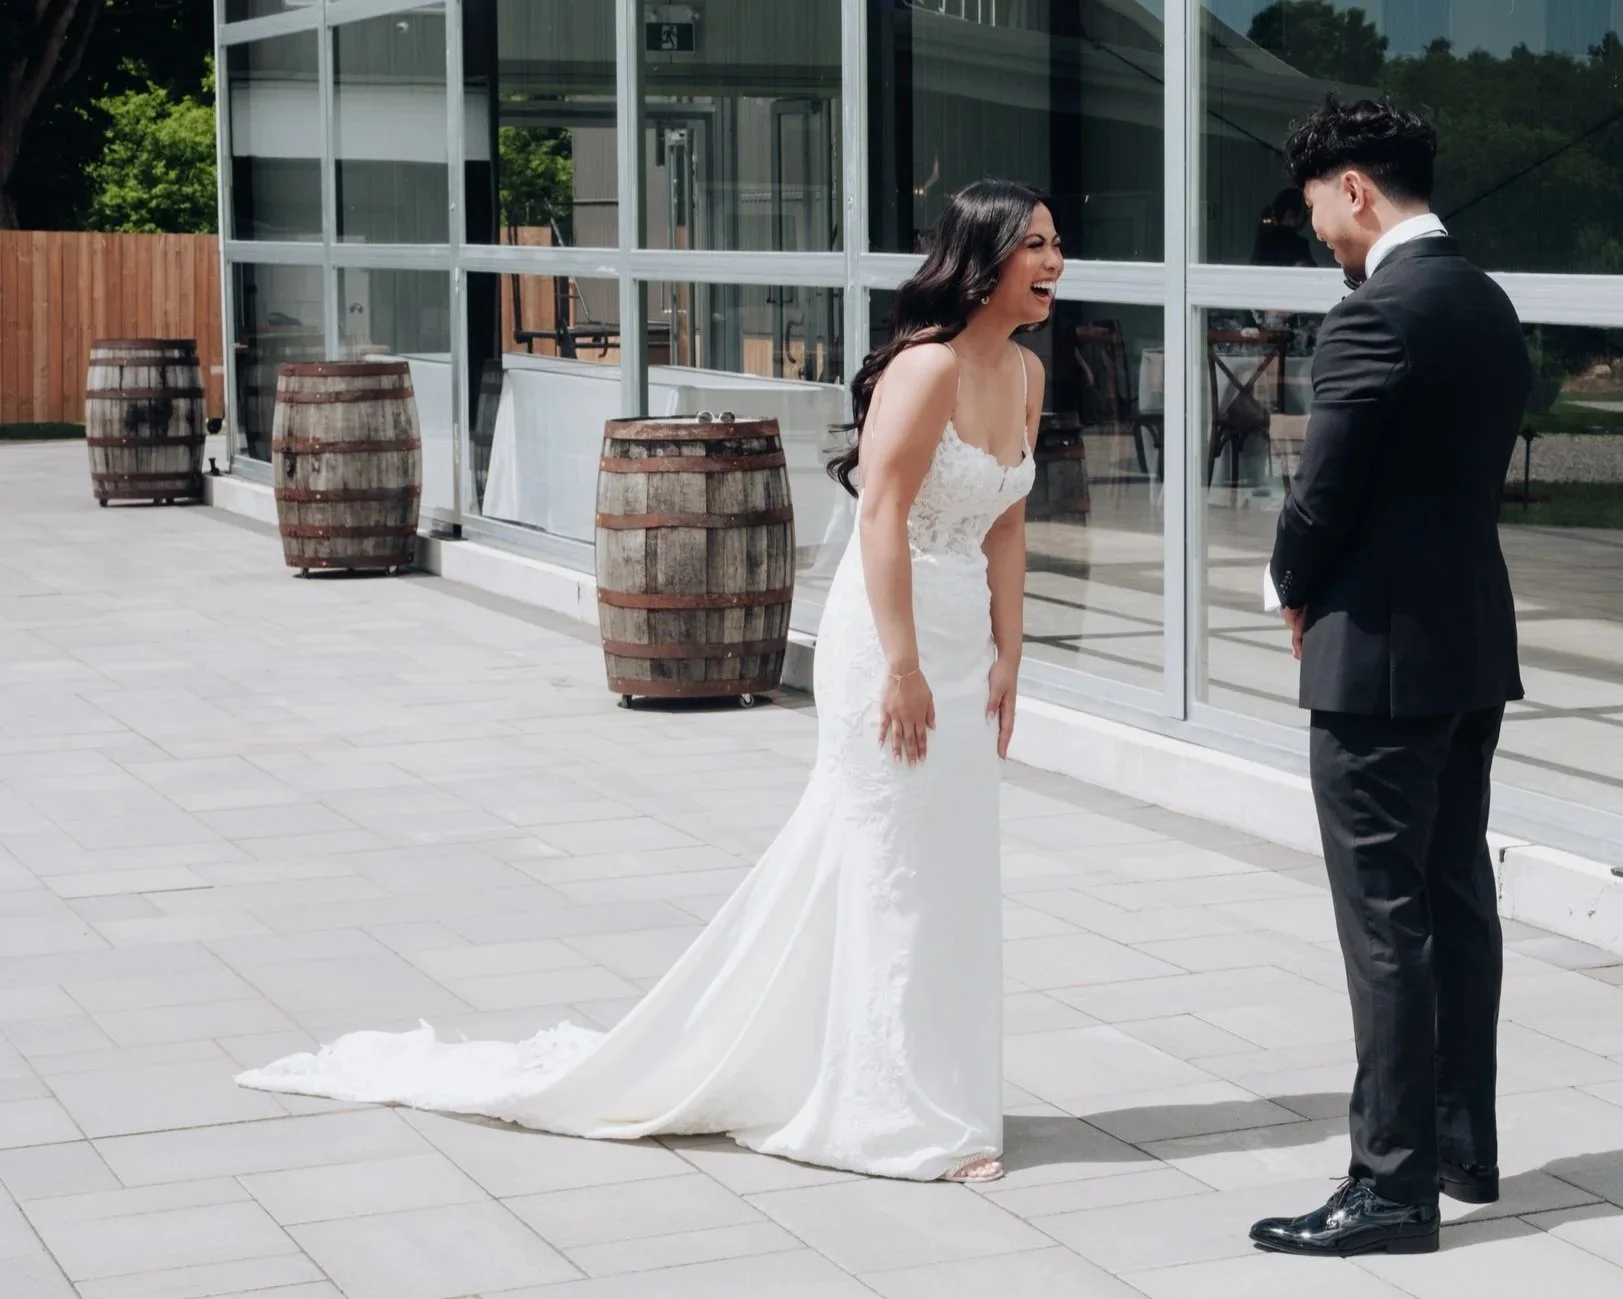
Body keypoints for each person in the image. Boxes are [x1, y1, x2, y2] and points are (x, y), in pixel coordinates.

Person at [236, 179, 1063, 1186]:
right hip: (887, 638)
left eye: (1056, 244)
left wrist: (1009, 652)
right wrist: (900, 666)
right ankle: (889, 1112)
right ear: (984, 260)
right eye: (1035, 246)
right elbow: (883, 519)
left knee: (949, 871)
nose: (1055, 262)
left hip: (964, 640)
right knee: (889, 863)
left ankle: (925, 1086)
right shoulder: (924, 372)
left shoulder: (1023, 373)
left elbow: (1008, 524)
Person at [1251, 97, 1530, 1257]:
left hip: (1375, 663)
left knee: (1386, 925)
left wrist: (1285, 586)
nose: (1318, 231)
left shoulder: (1373, 318)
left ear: (1355, 188)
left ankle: (1389, 1188)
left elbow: (1323, 492)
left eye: (1316, 207)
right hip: (1468, 647)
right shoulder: (1485, 299)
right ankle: (1462, 1149)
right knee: (1456, 900)